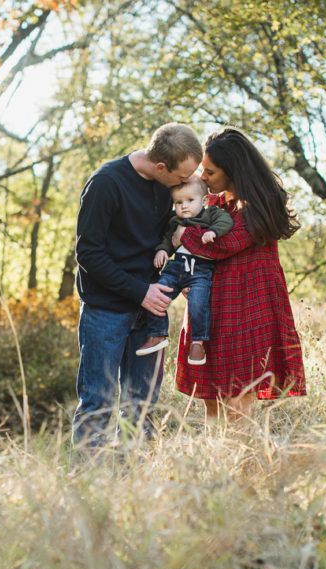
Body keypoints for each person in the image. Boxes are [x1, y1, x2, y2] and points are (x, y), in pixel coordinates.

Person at [72, 123, 203, 448]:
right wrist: (140, 291)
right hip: (106, 311)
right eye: (180, 177)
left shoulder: (167, 187)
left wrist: (186, 273)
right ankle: (89, 487)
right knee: (98, 403)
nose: (185, 183)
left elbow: (170, 236)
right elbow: (88, 253)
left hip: (151, 315)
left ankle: (135, 487)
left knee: (142, 405)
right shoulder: (106, 183)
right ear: (160, 167)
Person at [173, 127, 306, 419]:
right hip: (212, 306)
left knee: (236, 399)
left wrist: (180, 234)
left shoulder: (257, 207)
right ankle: (215, 462)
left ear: (233, 171)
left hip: (245, 308)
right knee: (209, 395)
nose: (203, 178)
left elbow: (219, 247)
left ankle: (241, 462)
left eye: (210, 172)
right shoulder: (217, 203)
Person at [135, 175, 234, 366]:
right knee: (157, 294)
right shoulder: (175, 221)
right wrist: (163, 250)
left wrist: (213, 232)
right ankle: (157, 334)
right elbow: (167, 239)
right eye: (178, 202)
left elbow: (226, 222)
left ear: (204, 200)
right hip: (176, 267)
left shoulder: (211, 214)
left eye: (190, 200)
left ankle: (197, 343)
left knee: (198, 303)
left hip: (200, 270)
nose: (184, 206)